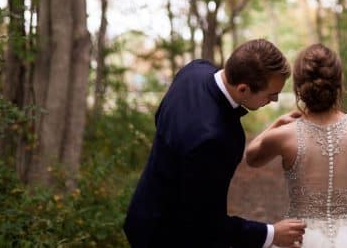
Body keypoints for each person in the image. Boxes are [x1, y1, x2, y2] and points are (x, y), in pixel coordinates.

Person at [124, 39, 306, 248]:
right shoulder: (216, 139)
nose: (273, 101)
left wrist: (275, 125)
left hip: (142, 214)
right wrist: (272, 234)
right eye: (271, 95)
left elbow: (160, 118)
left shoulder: (194, 71)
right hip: (169, 235)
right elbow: (206, 224)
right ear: (243, 89)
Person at [245, 43, 347, 248]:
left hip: (301, 236)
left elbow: (251, 157)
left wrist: (276, 124)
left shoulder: (284, 135)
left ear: (298, 86)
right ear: (339, 83)